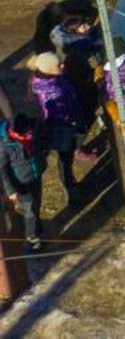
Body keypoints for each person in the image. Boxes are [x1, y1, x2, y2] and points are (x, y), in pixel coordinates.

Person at [29, 53, 83, 195]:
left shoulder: (41, 81)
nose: (62, 65)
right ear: (48, 69)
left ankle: (69, 183)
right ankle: (70, 187)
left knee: (62, 157)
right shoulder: (53, 91)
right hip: (62, 126)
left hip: (52, 127)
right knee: (65, 158)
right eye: (58, 65)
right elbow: (66, 109)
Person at [3, 112, 45, 250]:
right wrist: (10, 190)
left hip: (35, 175)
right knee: (29, 209)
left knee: (37, 203)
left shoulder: (30, 128)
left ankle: (37, 228)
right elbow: (2, 170)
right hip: (21, 184)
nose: (30, 135)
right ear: (15, 134)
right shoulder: (4, 145)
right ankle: (32, 237)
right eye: (26, 134)